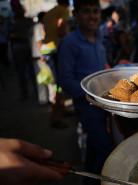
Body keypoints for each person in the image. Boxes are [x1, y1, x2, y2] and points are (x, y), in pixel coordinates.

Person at [58, 0, 114, 184]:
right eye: (86, 11)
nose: (92, 16)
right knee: (106, 151)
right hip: (86, 107)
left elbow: (101, 72)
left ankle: (86, 181)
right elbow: (65, 80)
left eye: (95, 11)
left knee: (93, 148)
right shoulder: (69, 42)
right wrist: (89, 95)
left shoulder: (98, 40)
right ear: (76, 15)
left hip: (102, 106)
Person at [41, 0, 71, 128]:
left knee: (59, 83)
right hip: (55, 49)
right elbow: (61, 28)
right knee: (59, 84)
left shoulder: (50, 12)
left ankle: (62, 109)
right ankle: (55, 118)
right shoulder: (62, 10)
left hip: (48, 49)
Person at [8, 7, 35, 101]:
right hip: (17, 51)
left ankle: (36, 91)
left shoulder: (28, 21)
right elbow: (7, 35)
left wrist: (21, 36)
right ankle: (24, 92)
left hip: (28, 49)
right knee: (20, 72)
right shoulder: (11, 22)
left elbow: (31, 33)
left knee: (33, 72)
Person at [30, 12, 55, 106]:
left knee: (42, 79)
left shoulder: (34, 26)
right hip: (41, 56)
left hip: (36, 56)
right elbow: (39, 41)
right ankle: (51, 99)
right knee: (48, 78)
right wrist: (42, 55)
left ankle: (44, 99)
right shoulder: (40, 26)